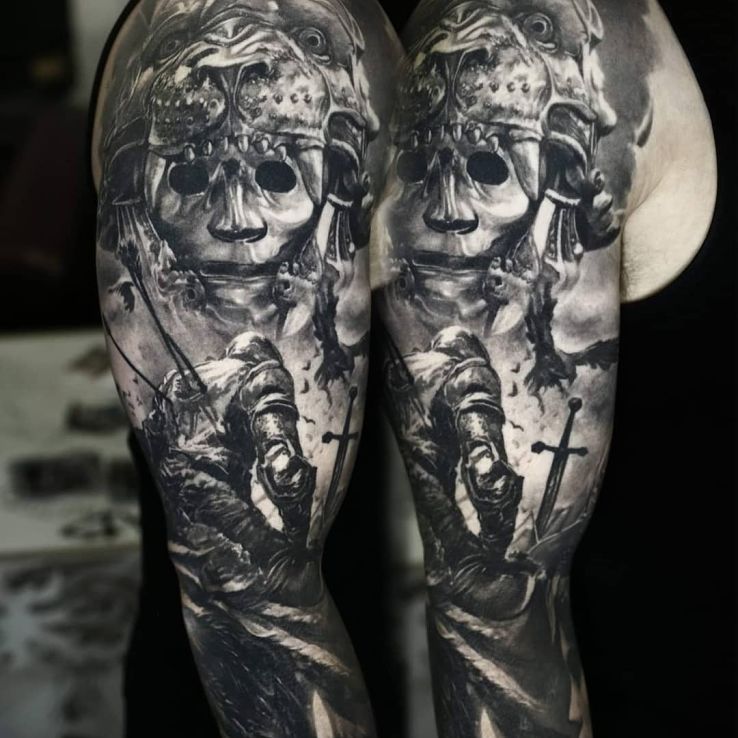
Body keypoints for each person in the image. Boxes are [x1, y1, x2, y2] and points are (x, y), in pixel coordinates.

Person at [92, 1, 715, 736]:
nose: (238, 221)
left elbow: (493, 586)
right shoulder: (240, 50)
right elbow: (248, 594)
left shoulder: (535, 60)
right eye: (198, 178)